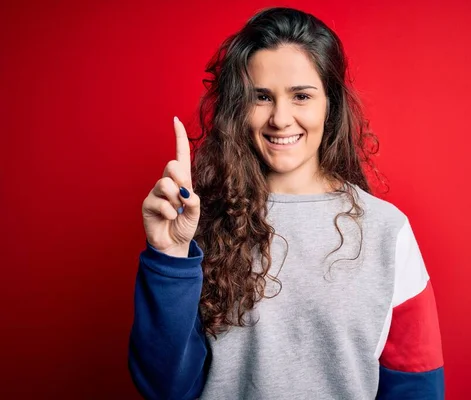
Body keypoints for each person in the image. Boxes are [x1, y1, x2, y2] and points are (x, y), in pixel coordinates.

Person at [128, 7, 444, 400]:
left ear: (330, 104)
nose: (280, 118)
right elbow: (165, 387)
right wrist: (170, 257)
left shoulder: (387, 230)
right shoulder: (196, 223)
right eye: (261, 96)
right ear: (238, 108)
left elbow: (416, 384)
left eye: (301, 96)